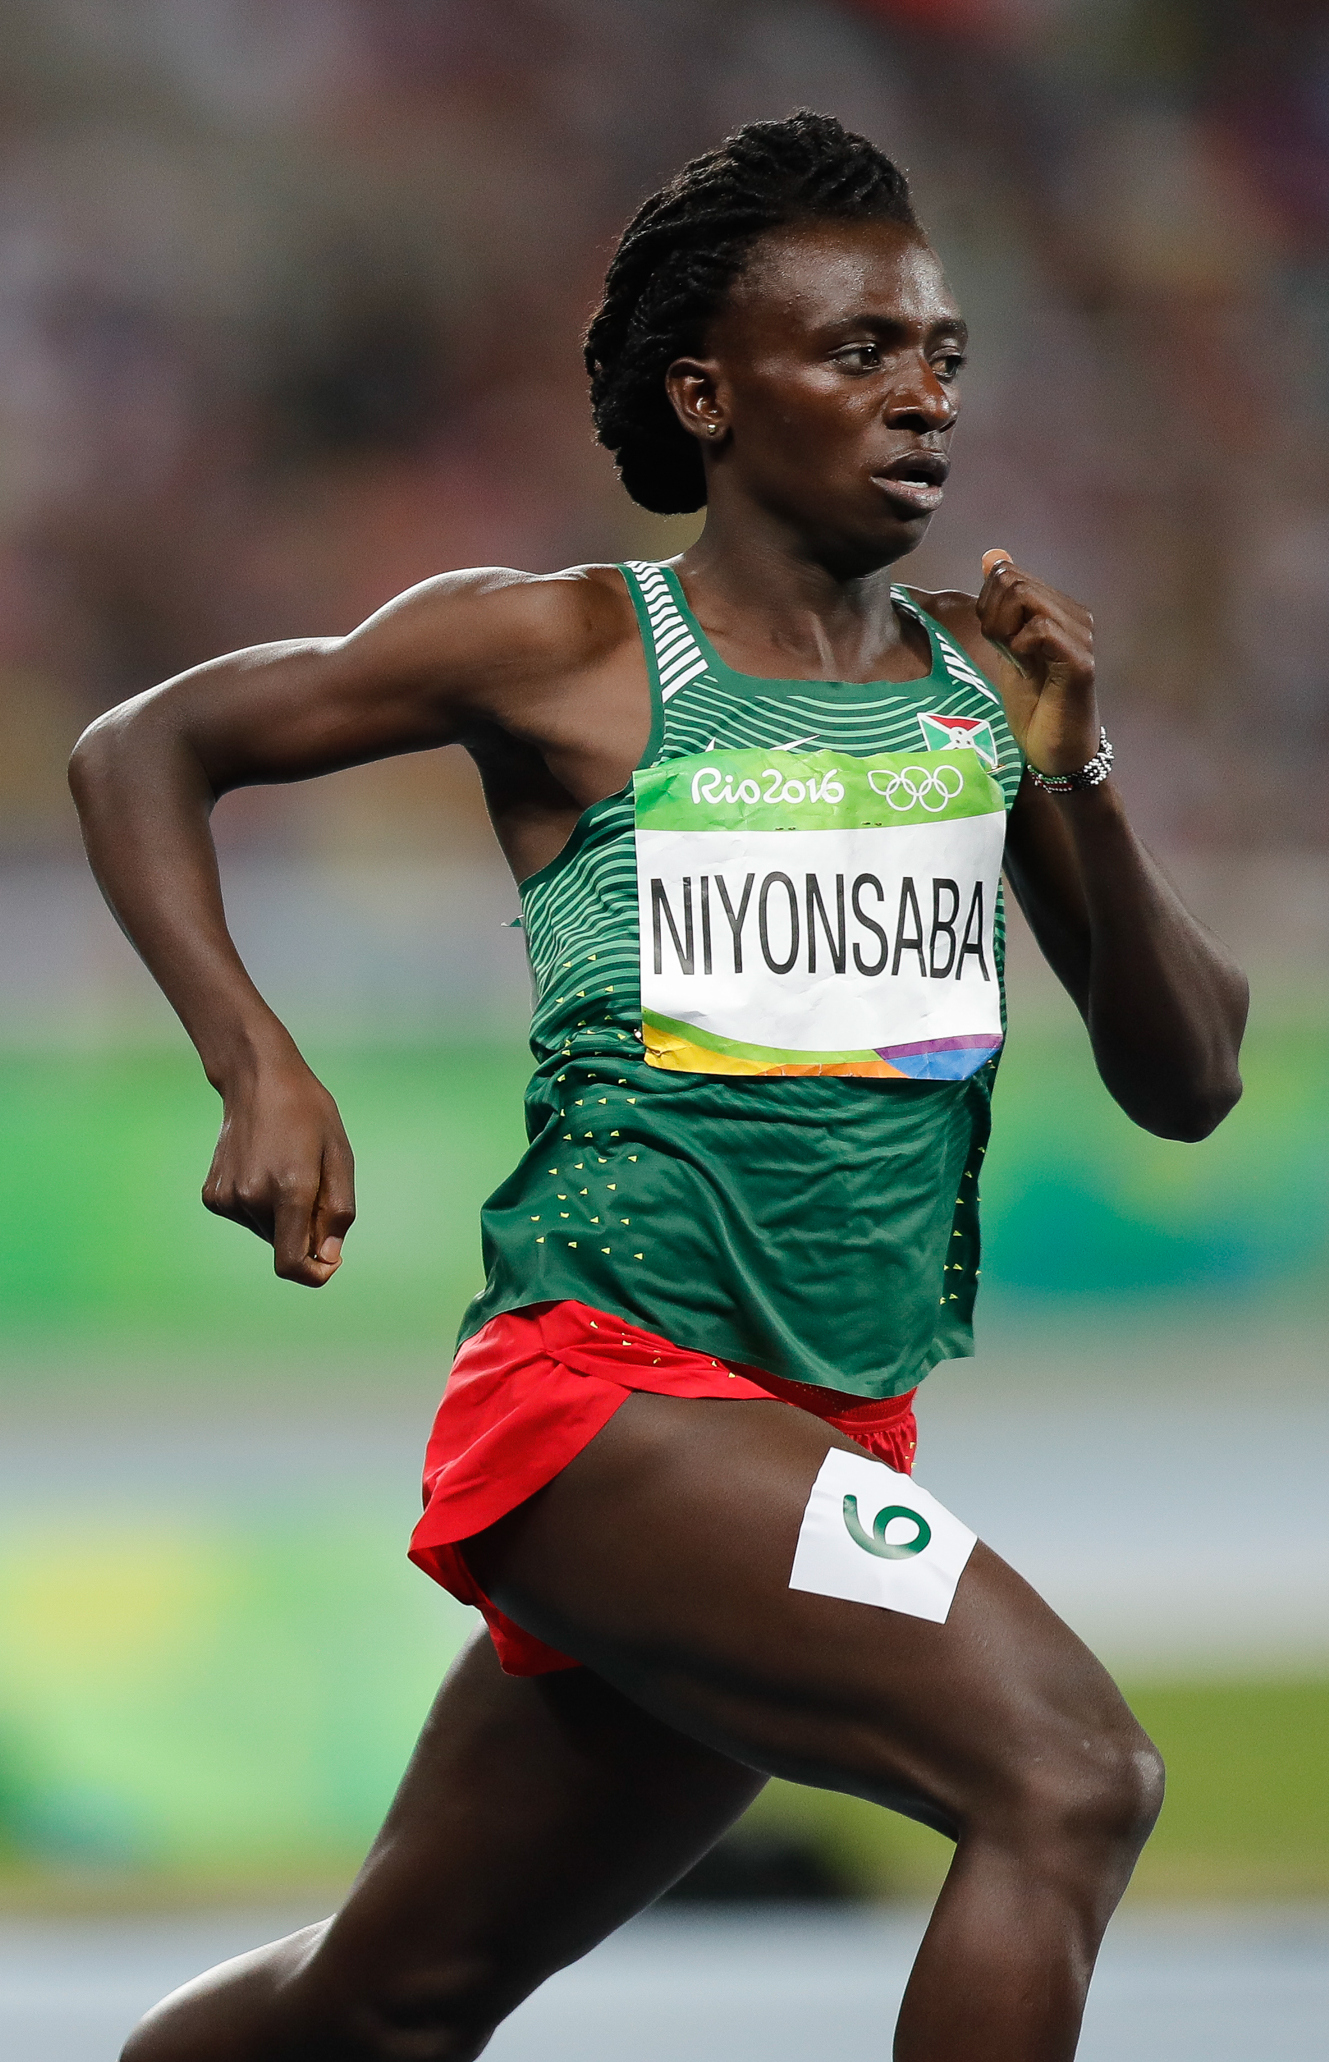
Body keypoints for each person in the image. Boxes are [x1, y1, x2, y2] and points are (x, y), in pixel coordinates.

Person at [71, 112, 1247, 2062]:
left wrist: (1079, 772)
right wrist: (255, 1057)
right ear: (707, 394)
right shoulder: (565, 647)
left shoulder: (978, 694)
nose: (919, 396)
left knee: (387, 1995)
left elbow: (1184, 1078)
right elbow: (141, 744)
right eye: (856, 350)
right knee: (1069, 1773)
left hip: (816, 1440)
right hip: (606, 1406)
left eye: (940, 353)